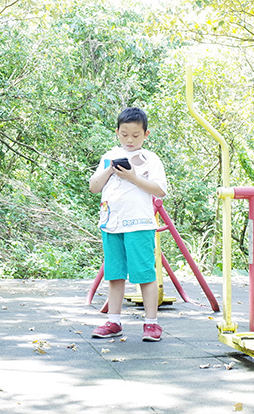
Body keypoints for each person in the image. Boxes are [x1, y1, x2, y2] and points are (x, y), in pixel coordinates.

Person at [89, 106, 167, 341]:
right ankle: (114, 321)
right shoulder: (108, 156)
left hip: (140, 224)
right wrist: (111, 170)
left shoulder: (150, 159)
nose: (129, 139)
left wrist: (133, 176)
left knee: (144, 273)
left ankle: (151, 323)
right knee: (114, 274)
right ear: (117, 132)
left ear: (146, 134)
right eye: (124, 134)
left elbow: (160, 190)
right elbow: (94, 187)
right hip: (112, 224)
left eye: (135, 135)